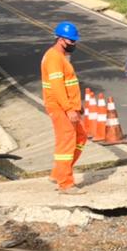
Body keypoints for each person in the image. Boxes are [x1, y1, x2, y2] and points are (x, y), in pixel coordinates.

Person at [42, 21, 86, 193]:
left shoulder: (60, 57)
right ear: (61, 40)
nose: (73, 44)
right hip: (60, 107)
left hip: (68, 106)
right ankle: (66, 184)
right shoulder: (53, 58)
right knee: (66, 142)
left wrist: (77, 105)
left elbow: (69, 84)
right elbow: (58, 86)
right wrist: (69, 109)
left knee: (80, 137)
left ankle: (58, 173)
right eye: (71, 41)